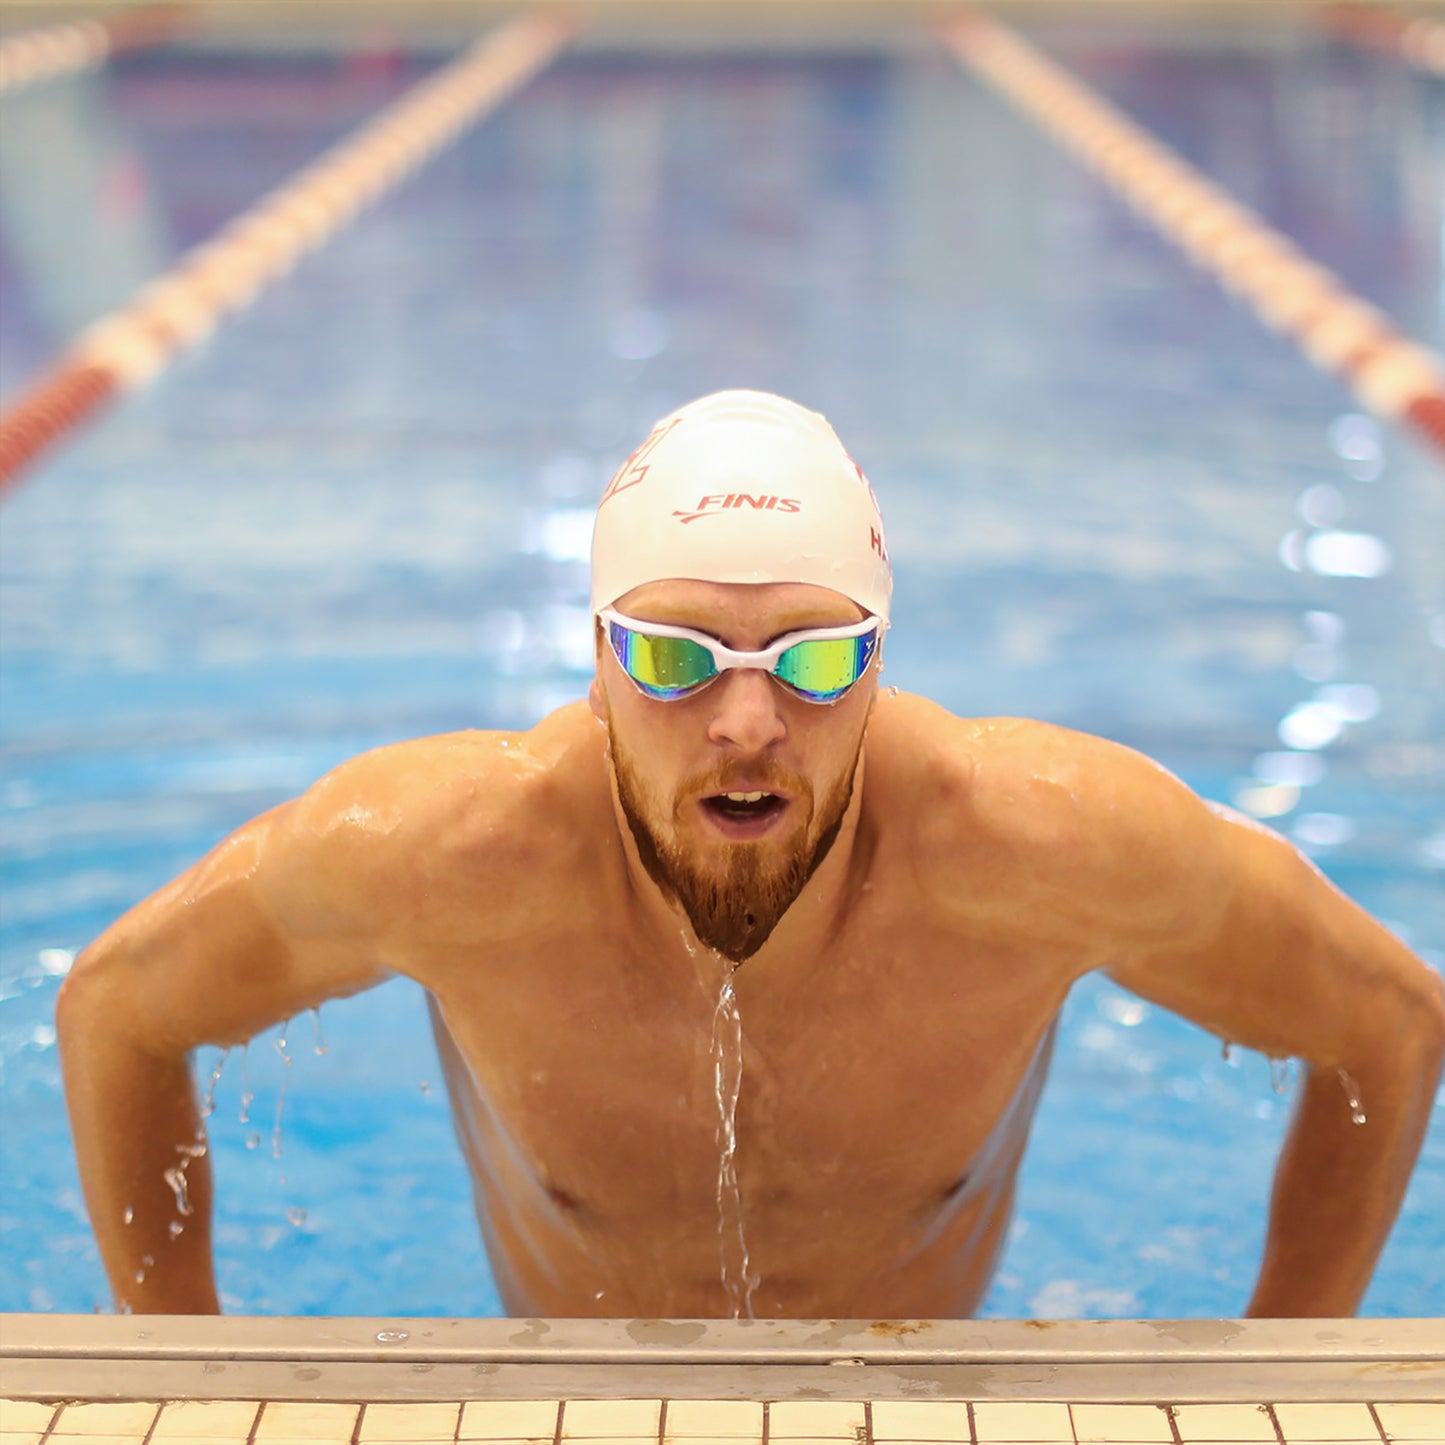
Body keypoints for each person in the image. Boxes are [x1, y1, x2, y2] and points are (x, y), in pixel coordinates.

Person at [59, 390, 1443, 1320]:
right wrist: (177, 1365)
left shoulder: (1042, 842)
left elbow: (1384, 1021)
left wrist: (1282, 1362)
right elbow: (116, 1008)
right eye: (669, 658)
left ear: (883, 659)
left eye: (815, 656)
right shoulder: (438, 855)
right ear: (593, 665)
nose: (743, 721)